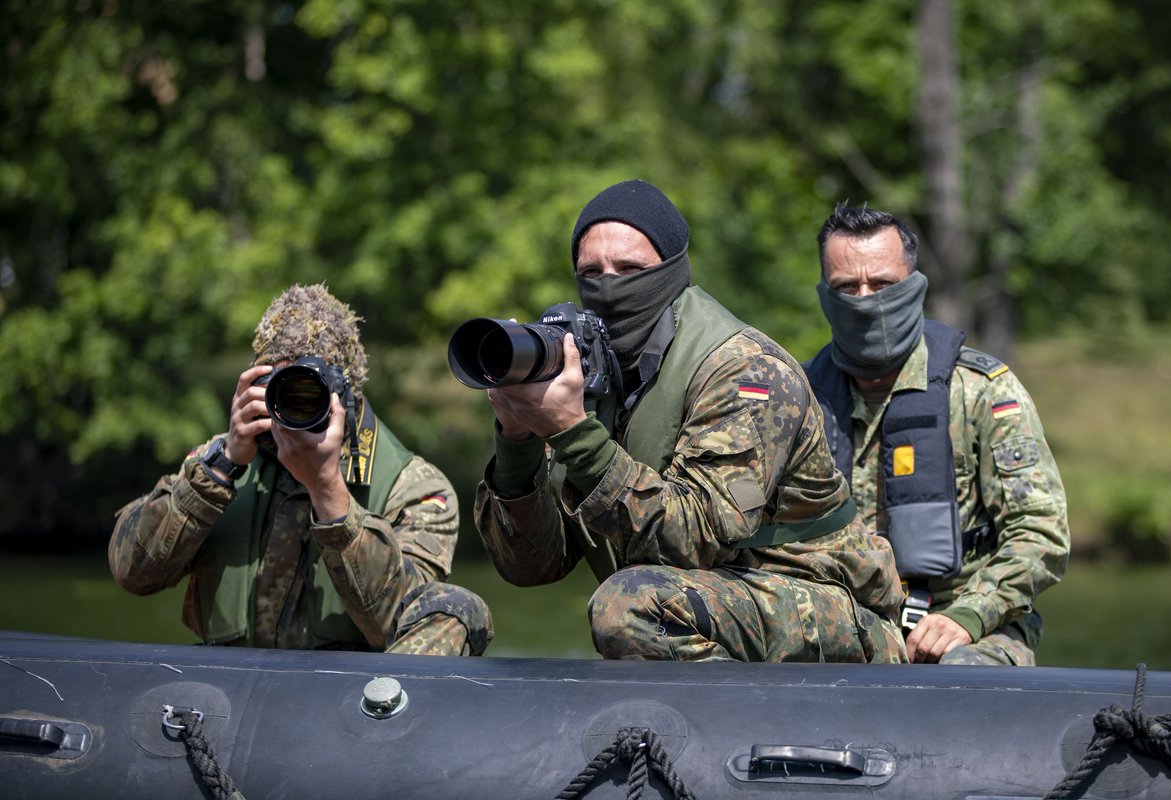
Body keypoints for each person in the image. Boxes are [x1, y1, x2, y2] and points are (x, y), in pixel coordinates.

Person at [473, 180, 907, 663]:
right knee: (634, 601)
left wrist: (575, 433)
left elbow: (694, 540)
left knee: (628, 605)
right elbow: (531, 566)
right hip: (720, 607)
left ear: (671, 271)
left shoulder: (745, 371)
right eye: (591, 272)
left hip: (833, 612)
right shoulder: (595, 375)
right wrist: (519, 438)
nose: (609, 286)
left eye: (630, 269)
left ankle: (730, 735)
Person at [110, 284, 492, 656]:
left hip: (343, 702)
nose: (292, 403)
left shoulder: (414, 489)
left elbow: (398, 626)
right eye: (277, 385)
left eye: (308, 390)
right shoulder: (221, 464)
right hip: (231, 693)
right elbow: (133, 573)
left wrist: (328, 490)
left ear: (346, 394)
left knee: (459, 606)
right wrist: (222, 467)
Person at [804, 203, 1070, 665]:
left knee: (956, 681)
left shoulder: (983, 392)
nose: (865, 299)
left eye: (883, 284)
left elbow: (1040, 533)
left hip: (969, 620)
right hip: (843, 621)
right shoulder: (797, 399)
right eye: (846, 287)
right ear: (826, 295)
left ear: (912, 286)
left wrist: (970, 615)